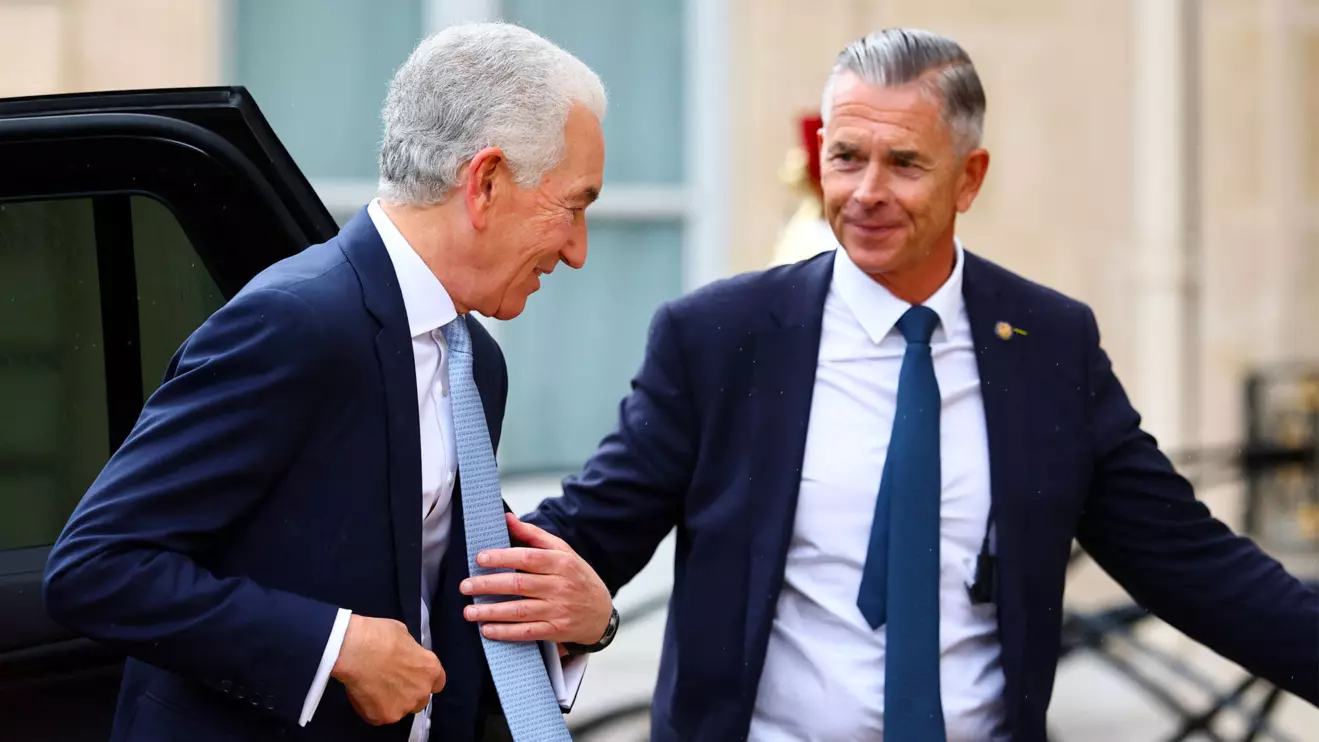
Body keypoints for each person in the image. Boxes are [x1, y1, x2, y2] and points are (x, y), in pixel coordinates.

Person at [505, 27, 1319, 742]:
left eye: (903, 164)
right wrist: (386, 617)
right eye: (845, 157)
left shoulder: (1049, 346)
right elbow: (587, 532)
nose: (865, 193)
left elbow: (1190, 561)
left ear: (968, 178)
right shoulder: (721, 340)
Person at [43, 22, 616, 742]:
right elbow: (97, 567)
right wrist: (335, 647)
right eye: (574, 205)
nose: (577, 250)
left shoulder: (474, 359)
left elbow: (435, 598)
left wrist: (582, 623)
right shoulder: (295, 322)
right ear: (486, 181)